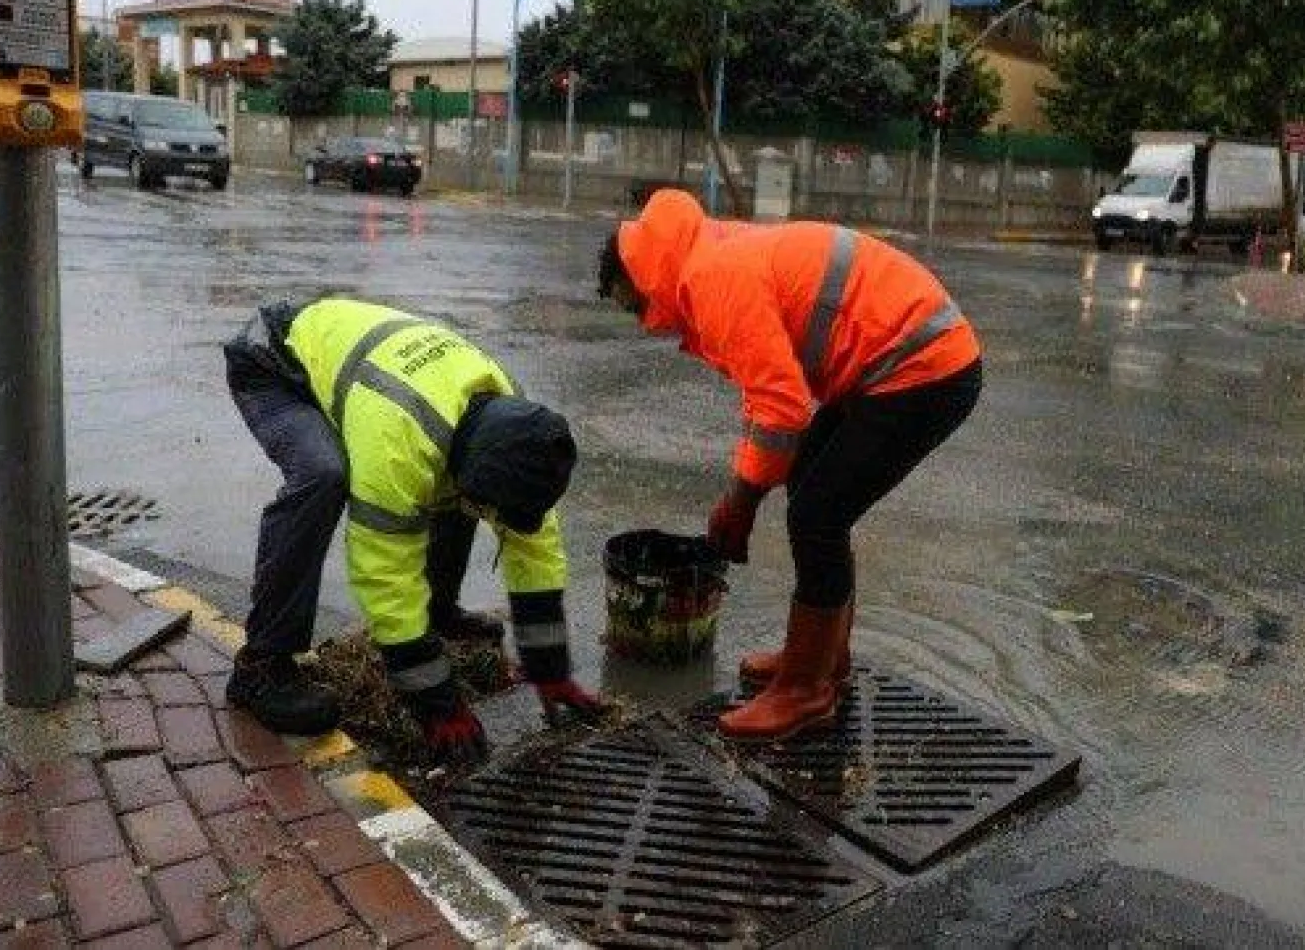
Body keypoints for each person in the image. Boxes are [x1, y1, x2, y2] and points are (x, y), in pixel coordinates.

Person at [598, 189, 983, 741]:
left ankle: (805, 692)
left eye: (630, 305)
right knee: (811, 488)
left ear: (640, 277)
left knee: (818, 516)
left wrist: (740, 503)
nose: (640, 321)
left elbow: (781, 409)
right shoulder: (705, 255)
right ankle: (823, 660)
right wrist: (746, 490)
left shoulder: (711, 279)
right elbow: (767, 392)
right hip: (893, 362)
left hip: (922, 368)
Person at [222, 296, 603, 765]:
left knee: (457, 485)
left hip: (360, 365)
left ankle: (438, 611)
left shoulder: (516, 425)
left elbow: (535, 548)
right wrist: (437, 704)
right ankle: (261, 666)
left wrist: (550, 669)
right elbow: (385, 576)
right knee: (323, 476)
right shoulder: (397, 441)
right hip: (274, 362)